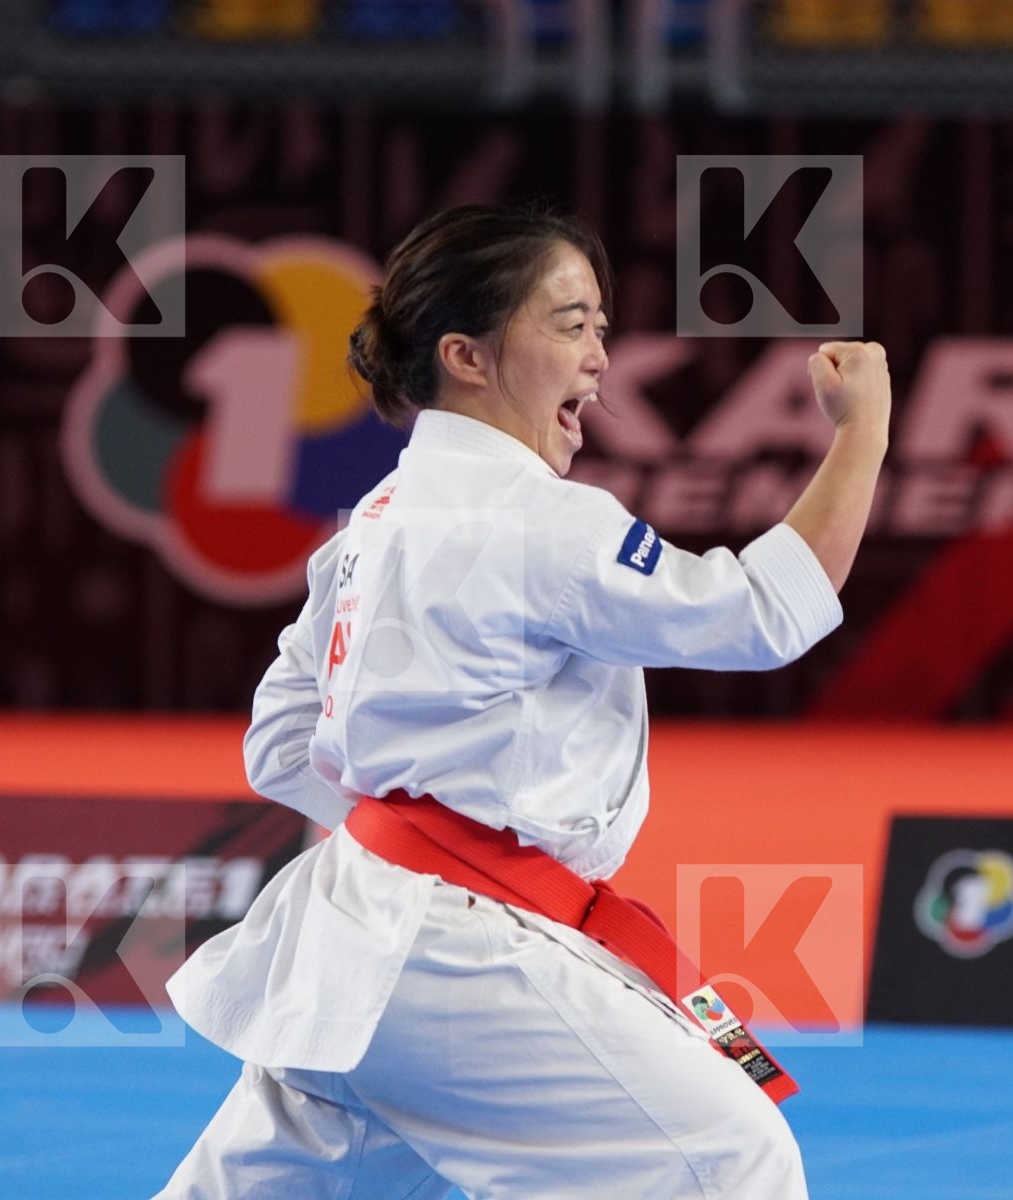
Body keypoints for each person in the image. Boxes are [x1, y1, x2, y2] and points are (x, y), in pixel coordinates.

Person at [154, 202, 891, 1199]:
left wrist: (408, 834)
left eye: (598, 326)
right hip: (450, 951)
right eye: (569, 323)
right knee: (727, 1162)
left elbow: (281, 742)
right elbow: (761, 615)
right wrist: (864, 433)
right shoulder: (540, 521)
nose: (598, 358)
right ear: (469, 354)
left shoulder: (373, 520)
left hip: (356, 938)